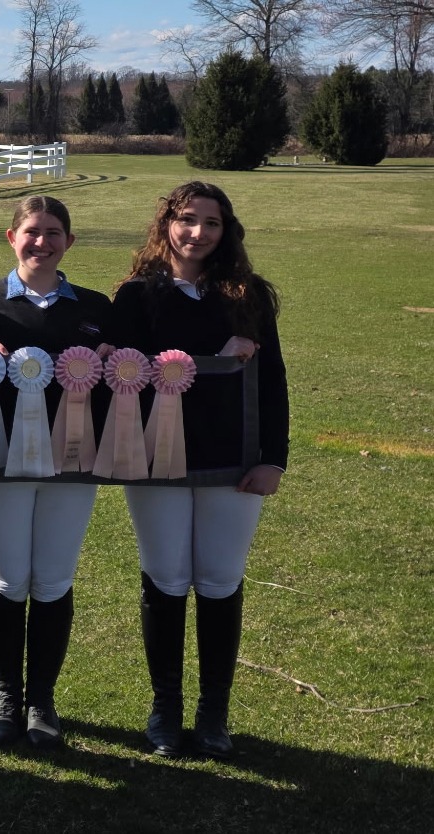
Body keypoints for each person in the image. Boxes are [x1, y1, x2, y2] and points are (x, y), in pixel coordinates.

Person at [111, 181, 287, 759]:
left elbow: (275, 381)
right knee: (164, 578)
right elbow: (122, 375)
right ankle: (165, 707)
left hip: (233, 462)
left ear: (226, 231)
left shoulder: (249, 296)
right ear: (166, 225)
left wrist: (272, 459)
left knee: (217, 580)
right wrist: (213, 360)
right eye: (187, 220)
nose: (197, 233)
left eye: (211, 223)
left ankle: (213, 711)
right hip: (157, 461)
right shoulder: (135, 298)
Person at [0, 196, 111, 749]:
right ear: (10, 237)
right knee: (7, 576)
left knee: (53, 579)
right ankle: (5, 693)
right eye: (31, 232)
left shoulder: (95, 308)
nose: (41, 242)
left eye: (53, 233)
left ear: (69, 241)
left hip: (72, 462)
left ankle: (41, 698)